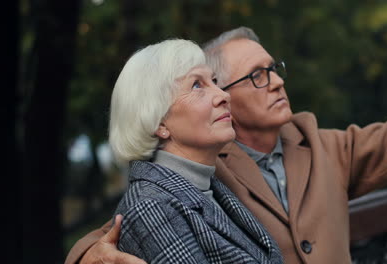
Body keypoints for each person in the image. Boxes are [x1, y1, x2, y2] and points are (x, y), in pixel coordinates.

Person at [65, 27, 387, 264]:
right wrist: (84, 258)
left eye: (273, 69)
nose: (277, 82)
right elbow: (133, 219)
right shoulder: (207, 164)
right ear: (231, 96)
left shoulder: (323, 146)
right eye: (257, 76)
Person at [83, 38, 283, 264]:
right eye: (197, 85)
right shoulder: (152, 207)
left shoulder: (207, 187)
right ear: (158, 123)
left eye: (214, 81)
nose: (223, 95)